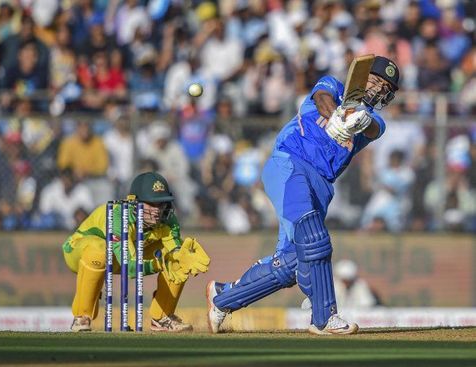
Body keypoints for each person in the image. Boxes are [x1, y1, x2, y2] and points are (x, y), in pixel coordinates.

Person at [206, 55, 400, 335]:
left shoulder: (375, 122)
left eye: (386, 88)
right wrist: (336, 116)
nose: (378, 89)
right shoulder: (332, 85)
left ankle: (222, 298)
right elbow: (321, 98)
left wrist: (356, 121)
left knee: (292, 262)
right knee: (315, 239)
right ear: (361, 75)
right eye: (376, 80)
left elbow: (371, 128)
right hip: (290, 163)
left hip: (321, 184)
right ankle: (324, 318)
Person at [62, 172, 210, 332]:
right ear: (134, 202)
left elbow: (174, 252)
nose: (157, 210)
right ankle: (82, 317)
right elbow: (130, 267)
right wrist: (158, 263)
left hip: (124, 256)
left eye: (161, 204)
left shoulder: (168, 219)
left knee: (179, 257)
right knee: (99, 251)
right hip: (79, 252)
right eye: (151, 204)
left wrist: (179, 260)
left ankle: (162, 317)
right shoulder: (119, 216)